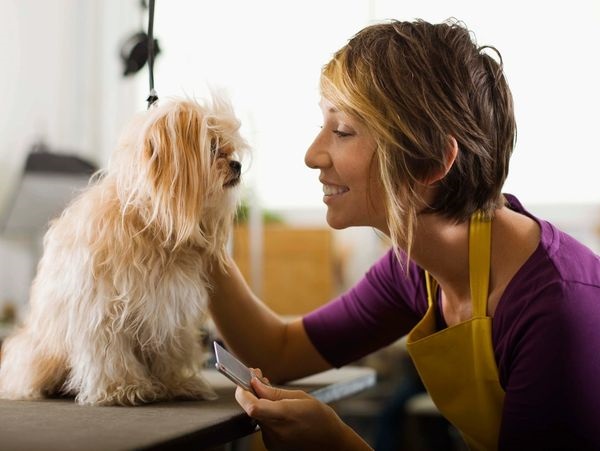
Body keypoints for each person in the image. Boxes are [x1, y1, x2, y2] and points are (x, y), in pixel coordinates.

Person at [208, 18, 600, 450]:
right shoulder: (418, 268)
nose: (312, 155)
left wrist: (337, 443)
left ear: (431, 162)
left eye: (342, 131)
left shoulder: (558, 311)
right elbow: (278, 352)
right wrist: (200, 237)